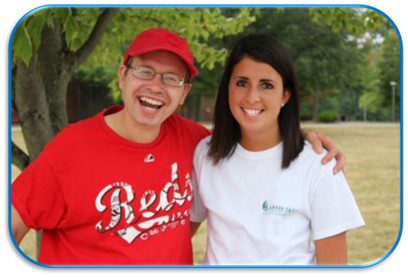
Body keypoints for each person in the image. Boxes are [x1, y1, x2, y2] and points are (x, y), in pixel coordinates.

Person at [11, 28, 343, 265]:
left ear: (184, 93)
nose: (156, 87)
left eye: (171, 79)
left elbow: (253, 138)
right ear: (122, 76)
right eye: (145, 71)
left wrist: (304, 139)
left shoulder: (196, 144)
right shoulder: (71, 149)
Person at [190, 34, 365, 265]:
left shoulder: (317, 164)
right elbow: (177, 234)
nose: (252, 97)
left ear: (285, 95)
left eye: (267, 85)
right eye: (242, 83)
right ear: (227, 88)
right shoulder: (205, 154)